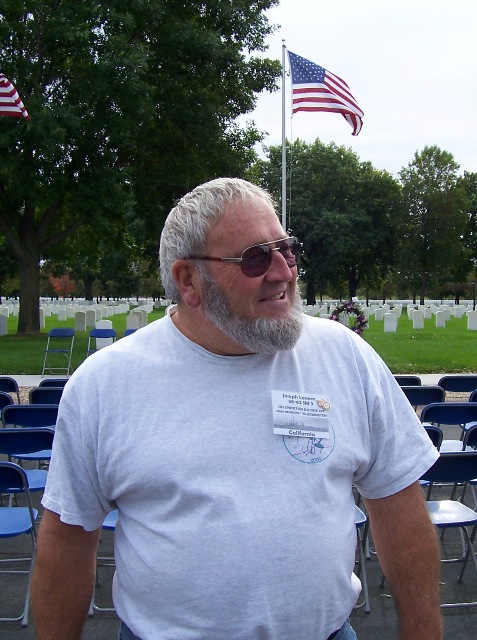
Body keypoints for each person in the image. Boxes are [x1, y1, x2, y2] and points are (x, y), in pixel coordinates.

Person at [31, 177, 442, 640]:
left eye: (287, 250)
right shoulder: (105, 385)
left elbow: (396, 502)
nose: (283, 272)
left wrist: (423, 629)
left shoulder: (345, 356)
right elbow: (68, 537)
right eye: (255, 258)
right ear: (189, 281)